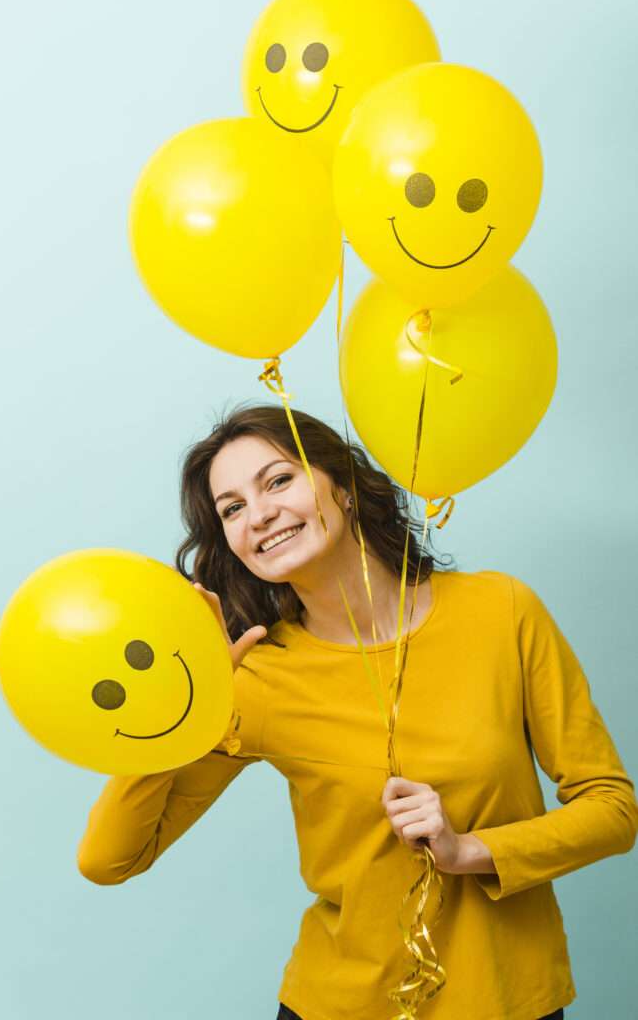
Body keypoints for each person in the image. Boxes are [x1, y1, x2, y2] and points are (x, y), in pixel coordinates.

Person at [77, 404, 637, 1020]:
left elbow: (612, 808)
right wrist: (181, 706)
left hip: (507, 1001)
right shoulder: (257, 677)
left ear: (342, 487)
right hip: (337, 1004)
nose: (258, 514)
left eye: (278, 480)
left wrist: (468, 850)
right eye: (232, 508)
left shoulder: (500, 610)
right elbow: (108, 859)